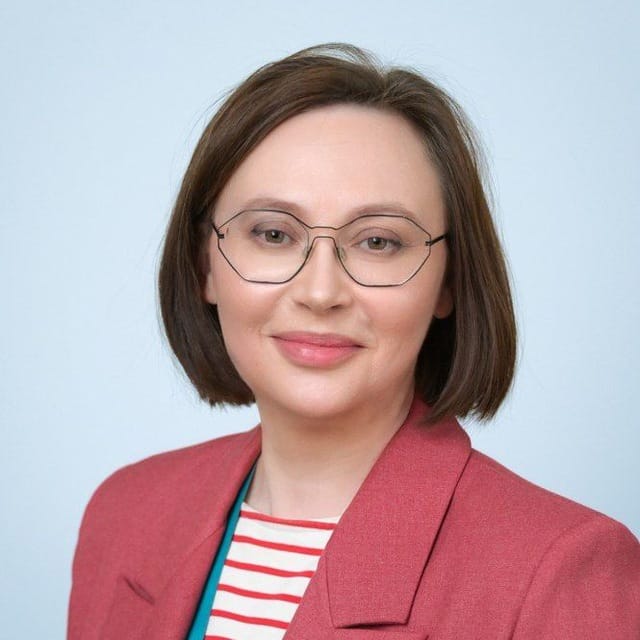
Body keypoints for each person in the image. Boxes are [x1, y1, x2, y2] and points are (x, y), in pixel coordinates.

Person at [67, 44, 640, 639]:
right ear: (204, 263)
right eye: (272, 234)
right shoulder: (124, 514)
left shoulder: (564, 573)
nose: (320, 292)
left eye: (378, 242)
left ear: (449, 281)